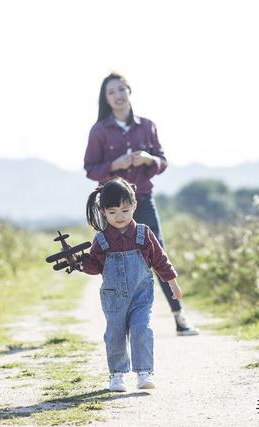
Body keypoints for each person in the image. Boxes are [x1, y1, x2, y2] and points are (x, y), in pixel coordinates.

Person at [83, 71, 199, 336]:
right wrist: (115, 165)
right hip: (111, 207)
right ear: (105, 98)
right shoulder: (99, 131)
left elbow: (163, 161)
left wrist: (148, 159)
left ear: (129, 91)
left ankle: (179, 316)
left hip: (142, 200)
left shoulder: (147, 126)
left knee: (156, 252)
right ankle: (119, 320)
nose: (117, 96)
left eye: (121, 89)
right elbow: (90, 169)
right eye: (111, 92)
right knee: (111, 258)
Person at [81, 177, 183, 392]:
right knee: (115, 333)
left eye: (125, 211)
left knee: (141, 328)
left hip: (140, 295)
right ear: (102, 210)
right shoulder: (101, 240)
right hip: (113, 297)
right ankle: (117, 375)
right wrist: (79, 263)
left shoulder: (143, 233)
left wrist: (173, 284)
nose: (119, 217)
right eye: (112, 212)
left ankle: (144, 373)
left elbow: (160, 260)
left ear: (134, 206)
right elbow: (94, 267)